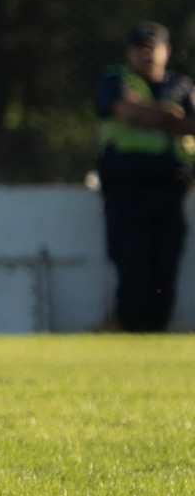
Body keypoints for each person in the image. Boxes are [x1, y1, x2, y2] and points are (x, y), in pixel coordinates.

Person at [95, 21, 195, 332]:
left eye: (152, 48)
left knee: (166, 262)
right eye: (139, 49)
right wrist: (170, 116)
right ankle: (131, 330)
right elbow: (123, 109)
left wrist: (144, 112)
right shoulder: (114, 78)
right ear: (129, 53)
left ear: (167, 51)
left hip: (172, 186)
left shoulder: (183, 85)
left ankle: (157, 331)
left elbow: (189, 123)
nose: (145, 55)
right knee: (132, 260)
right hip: (127, 187)